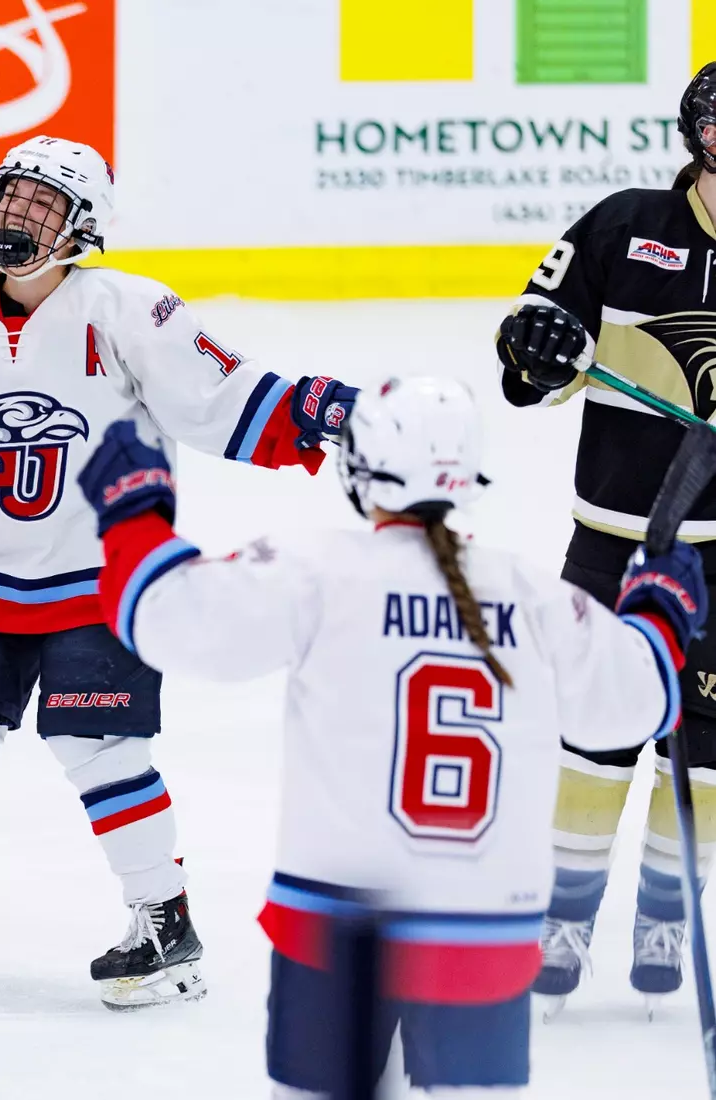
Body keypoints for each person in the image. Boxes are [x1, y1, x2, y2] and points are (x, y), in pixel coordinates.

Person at [0, 134, 359, 1006]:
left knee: (99, 747)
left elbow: (221, 395)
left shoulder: (131, 308)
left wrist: (310, 407)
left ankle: (164, 922)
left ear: (81, 226)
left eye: (41, 205)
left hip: (101, 583)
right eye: (10, 197)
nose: (17, 216)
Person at [76, 377, 702, 1097]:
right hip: (484, 931)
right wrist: (661, 608)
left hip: (339, 923)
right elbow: (637, 703)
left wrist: (133, 509)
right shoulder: (532, 595)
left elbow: (162, 617)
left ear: (360, 467)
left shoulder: (319, 571)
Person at [495, 60, 716, 1010]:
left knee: (705, 753)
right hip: (612, 540)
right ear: (697, 133)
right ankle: (566, 914)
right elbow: (535, 356)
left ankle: (668, 909)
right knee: (594, 736)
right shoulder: (625, 223)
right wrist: (536, 349)